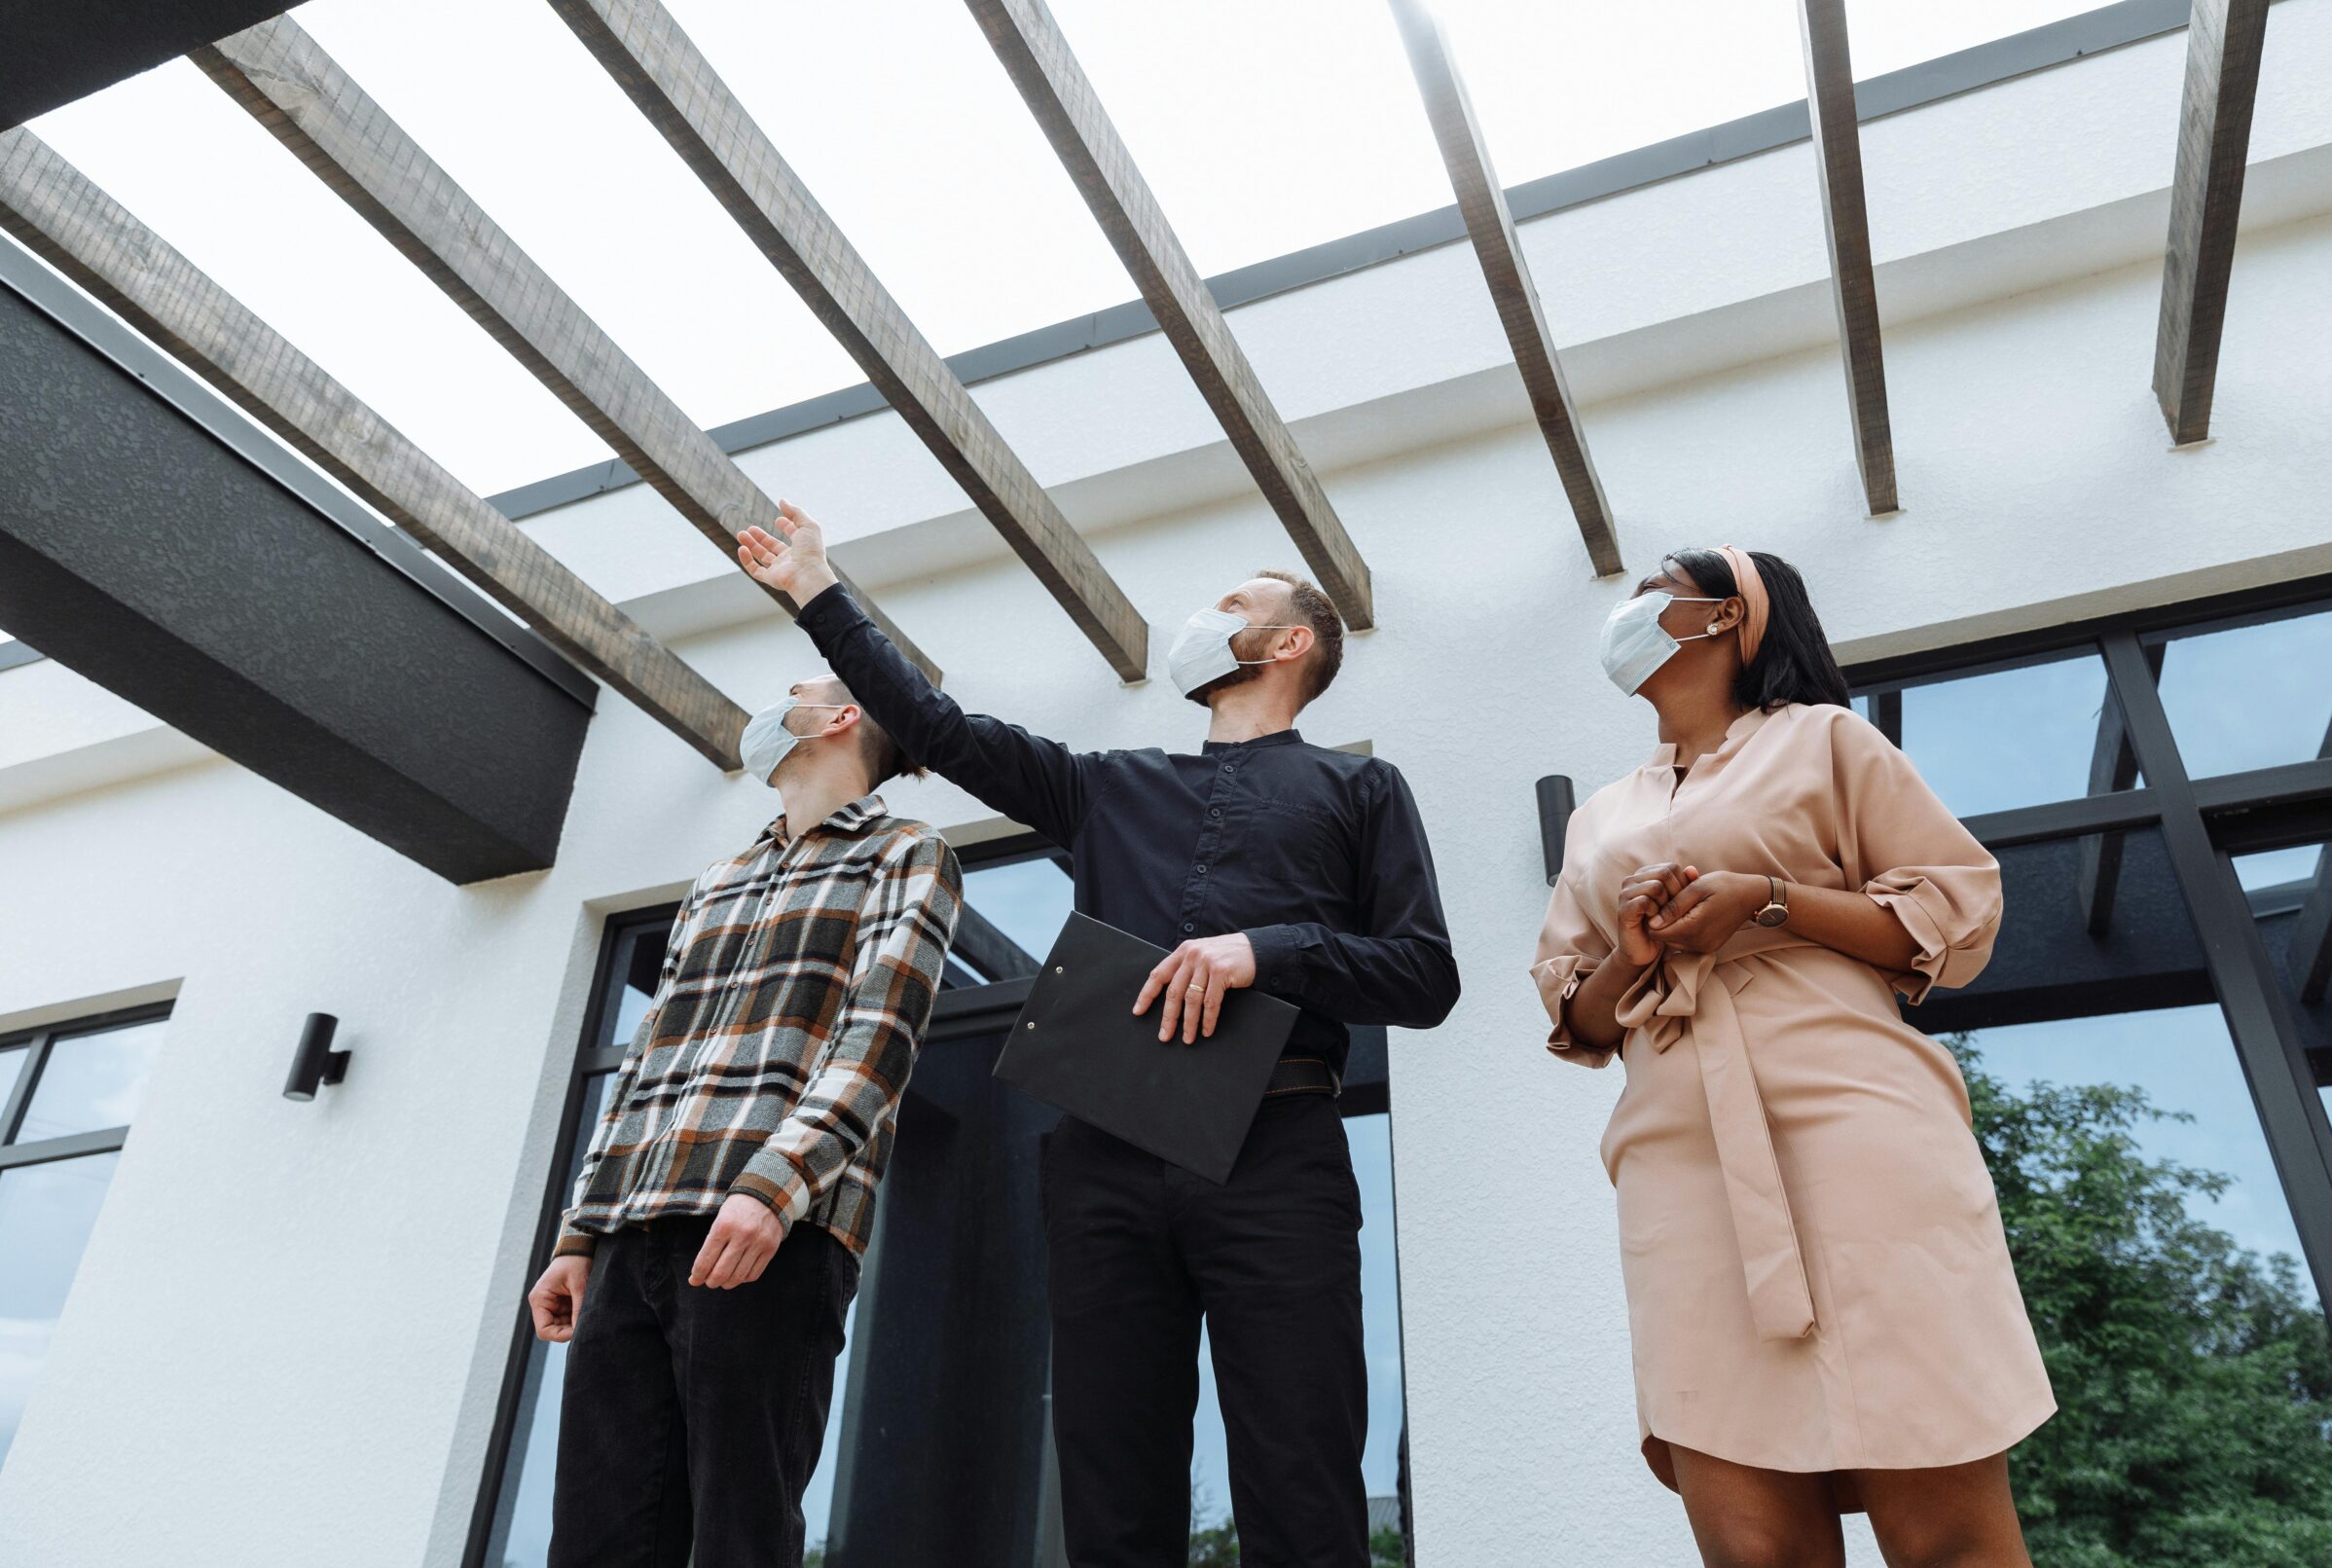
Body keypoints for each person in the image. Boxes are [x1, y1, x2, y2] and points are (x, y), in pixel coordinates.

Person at [736, 500, 1460, 1568]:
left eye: (1231, 608)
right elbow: (936, 729)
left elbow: (1426, 975)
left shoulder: (1359, 787)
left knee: (1299, 1471)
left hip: (1279, 1154)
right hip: (1103, 1157)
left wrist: (1267, 949)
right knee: (1111, 1486)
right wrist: (816, 593)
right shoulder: (1106, 788)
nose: (1202, 622)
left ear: (1290, 642)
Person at [1534, 547, 2054, 1568]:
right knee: (1751, 1553)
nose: (1628, 611)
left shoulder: (1825, 741)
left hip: (1856, 1127)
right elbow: (1577, 1016)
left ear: (1731, 619)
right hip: (1675, 1162)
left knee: (1945, 1536)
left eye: (1655, 596)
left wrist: (1763, 899)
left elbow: (1954, 909)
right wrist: (1629, 959)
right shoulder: (1600, 816)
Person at [525, 673, 962, 1568]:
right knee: (595, 1538)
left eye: (794, 689)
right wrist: (579, 1232)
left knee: (741, 1532)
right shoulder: (720, 877)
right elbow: (645, 1060)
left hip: (770, 1233)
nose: (770, 707)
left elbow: (879, 1041)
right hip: (630, 1234)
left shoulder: (907, 853)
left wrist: (773, 1187)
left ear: (840, 717)